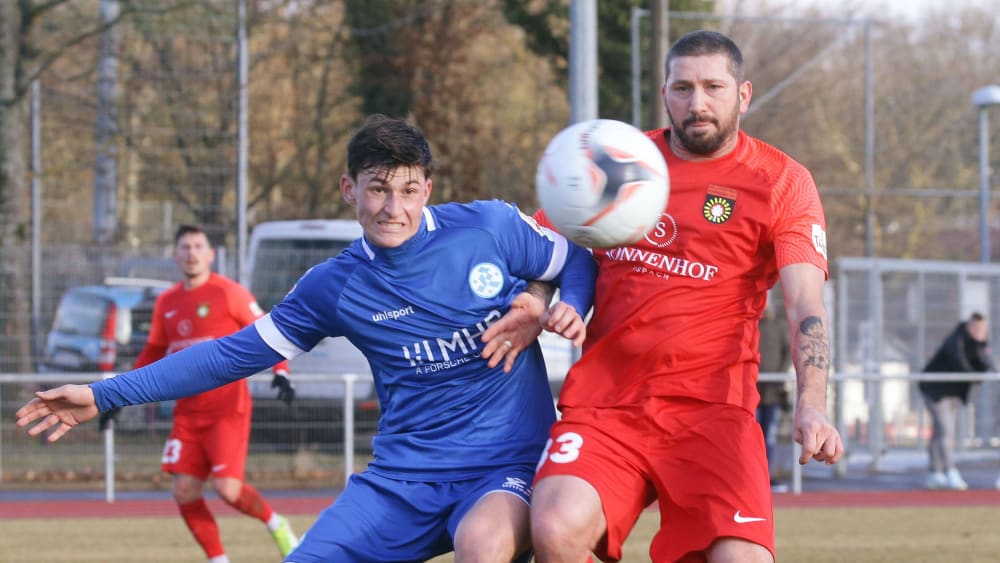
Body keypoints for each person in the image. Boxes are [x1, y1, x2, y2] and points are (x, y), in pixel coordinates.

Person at [17, 115, 597, 563]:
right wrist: (103, 394)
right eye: (377, 189)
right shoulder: (334, 285)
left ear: (427, 188)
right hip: (399, 479)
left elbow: (576, 258)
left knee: (483, 547)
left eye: (408, 190)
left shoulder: (488, 227)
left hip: (503, 466)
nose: (393, 208)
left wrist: (560, 303)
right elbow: (229, 354)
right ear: (349, 188)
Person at [522, 30, 844, 563]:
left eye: (714, 87)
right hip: (608, 405)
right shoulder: (615, 163)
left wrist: (813, 404)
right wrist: (536, 298)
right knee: (554, 528)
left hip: (715, 413)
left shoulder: (781, 181)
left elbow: (806, 304)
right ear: (665, 92)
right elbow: (542, 248)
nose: (697, 103)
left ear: (742, 94)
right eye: (683, 88)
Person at [109, 224, 300, 562]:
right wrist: (116, 393)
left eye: (198, 246)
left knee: (228, 490)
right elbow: (153, 351)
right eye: (185, 247)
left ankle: (275, 522)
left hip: (228, 409)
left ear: (211, 254)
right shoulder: (166, 302)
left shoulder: (230, 293)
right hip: (187, 413)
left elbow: (270, 331)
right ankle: (219, 559)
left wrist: (281, 372)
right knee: (183, 490)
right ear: (175, 255)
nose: (192, 253)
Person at [918, 312, 994, 491]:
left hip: (952, 392)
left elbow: (985, 362)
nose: (978, 331)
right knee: (946, 431)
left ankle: (935, 473)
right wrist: (974, 375)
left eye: (982, 328)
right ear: (968, 325)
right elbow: (959, 362)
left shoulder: (979, 343)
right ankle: (950, 471)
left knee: (939, 432)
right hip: (935, 390)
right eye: (975, 327)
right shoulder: (956, 338)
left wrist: (981, 344)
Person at [757, 296, 792, 493]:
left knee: (769, 437)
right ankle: (750, 477)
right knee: (750, 438)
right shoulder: (751, 325)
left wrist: (779, 375)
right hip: (752, 391)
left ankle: (766, 476)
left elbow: (787, 353)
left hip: (773, 392)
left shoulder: (778, 328)